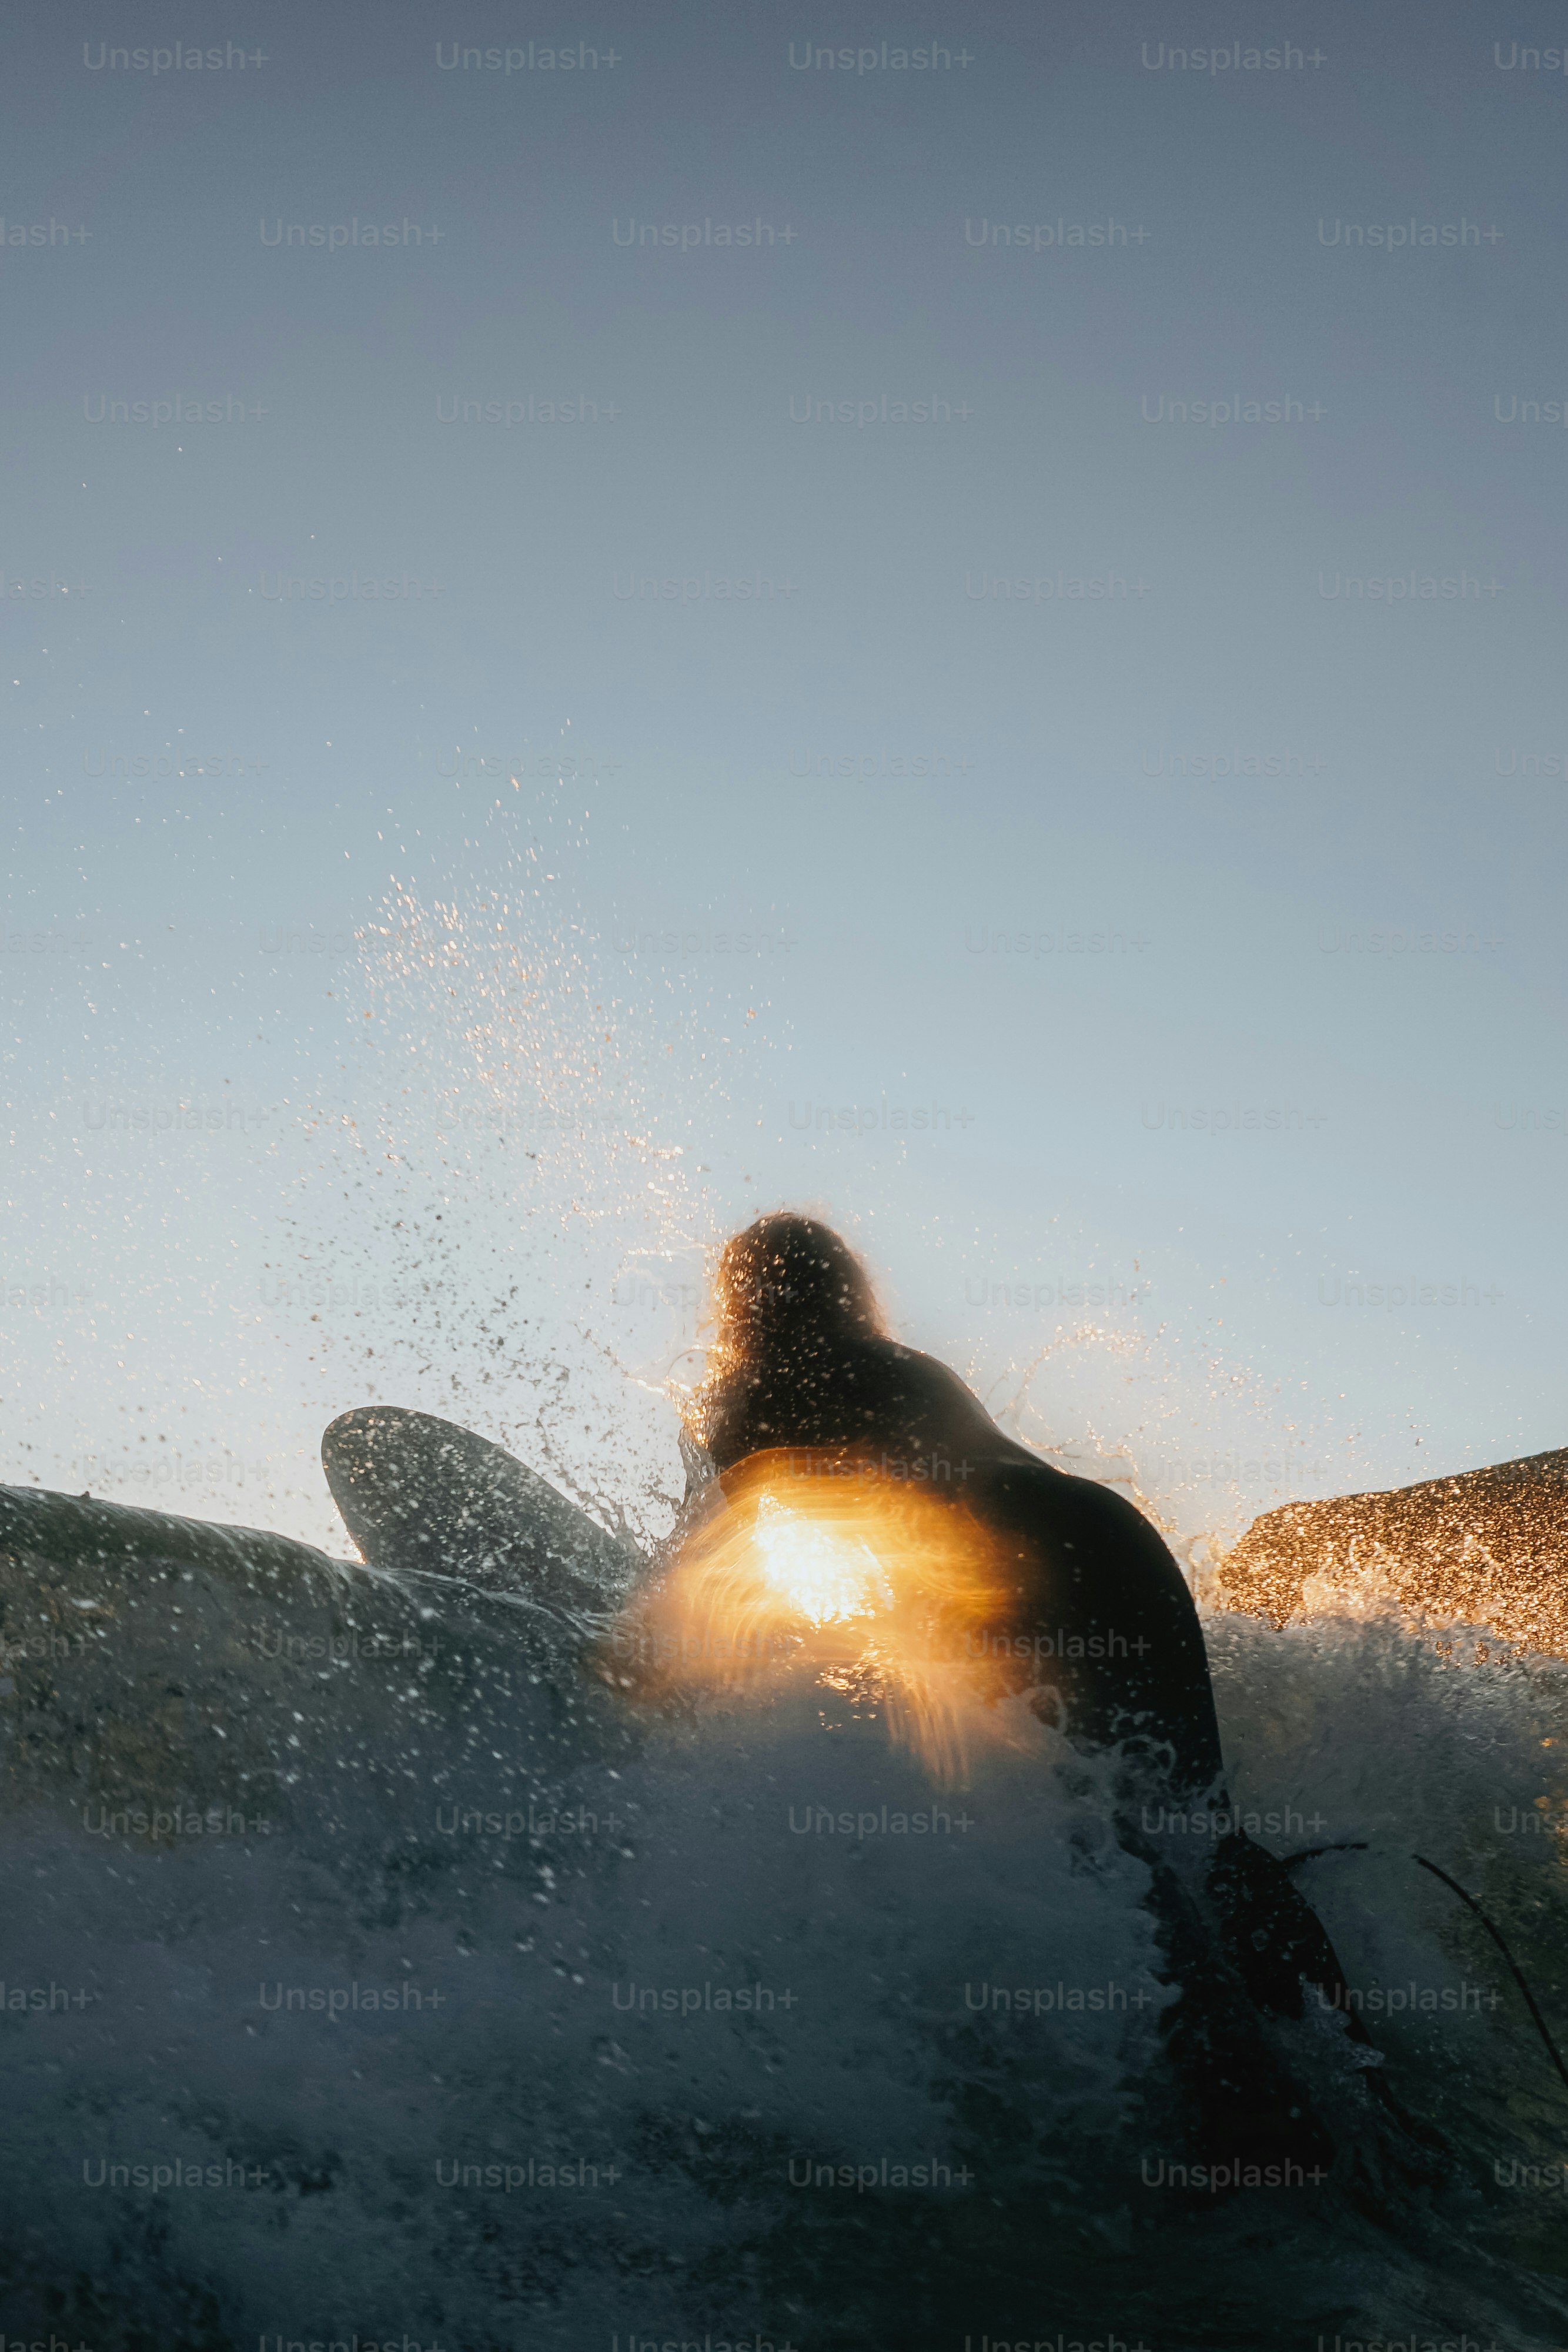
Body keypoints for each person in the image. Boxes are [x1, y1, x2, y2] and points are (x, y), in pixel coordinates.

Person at [680, 1211, 1379, 2169]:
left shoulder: (742, 1397)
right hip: (1108, 1537)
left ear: (738, 1301)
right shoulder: (906, 1364)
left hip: (1021, 1575)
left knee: (1110, 1840)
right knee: (1205, 1833)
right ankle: (1365, 2082)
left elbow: (722, 1575)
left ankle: (1238, 2125)